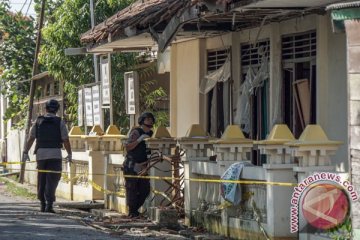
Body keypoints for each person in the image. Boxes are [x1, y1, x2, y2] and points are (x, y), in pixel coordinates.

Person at [22, 99, 72, 213]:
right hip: (55, 154)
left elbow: (31, 138)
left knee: (42, 178)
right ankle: (49, 204)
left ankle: (42, 204)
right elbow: (65, 139)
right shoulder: (60, 122)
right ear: (58, 110)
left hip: (41, 154)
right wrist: (70, 153)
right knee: (53, 179)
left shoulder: (38, 121)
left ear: (46, 109)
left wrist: (25, 152)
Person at [123, 112, 155, 218]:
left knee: (145, 189)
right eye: (147, 119)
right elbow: (128, 147)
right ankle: (132, 212)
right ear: (142, 120)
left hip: (143, 166)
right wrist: (139, 140)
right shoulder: (136, 132)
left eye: (151, 119)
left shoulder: (151, 133)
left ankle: (135, 210)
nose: (150, 121)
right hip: (132, 164)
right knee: (132, 189)